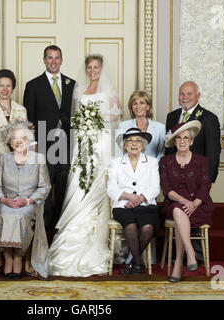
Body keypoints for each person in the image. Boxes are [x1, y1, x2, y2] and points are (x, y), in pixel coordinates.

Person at [48, 54, 122, 277]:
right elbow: (75, 118)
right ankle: (70, 239)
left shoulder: (109, 91)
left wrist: (98, 123)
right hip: (83, 143)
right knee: (79, 186)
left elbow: (115, 118)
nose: (92, 71)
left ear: (101, 68)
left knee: (98, 187)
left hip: (101, 144)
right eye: (89, 67)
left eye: (96, 67)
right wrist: (84, 125)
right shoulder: (79, 91)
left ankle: (97, 240)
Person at [0, 120, 51, 279]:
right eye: (15, 138)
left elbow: (45, 187)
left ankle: (18, 258)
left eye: (22, 138)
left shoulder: (38, 159)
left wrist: (28, 201)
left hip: (28, 203)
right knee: (5, 214)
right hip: (6, 202)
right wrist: (3, 200)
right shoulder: (4, 159)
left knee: (20, 216)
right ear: (9, 141)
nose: (18, 141)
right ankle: (7, 257)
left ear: (28, 139)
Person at [23, 45, 75, 234]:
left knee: (64, 189)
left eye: (57, 58)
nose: (53, 61)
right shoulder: (33, 85)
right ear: (44, 60)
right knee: (44, 189)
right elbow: (29, 119)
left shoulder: (72, 84)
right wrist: (32, 144)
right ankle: (43, 233)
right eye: (50, 58)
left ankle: (62, 231)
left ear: (61, 60)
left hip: (67, 145)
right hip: (44, 146)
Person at [159, 120, 214, 282]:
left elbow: (205, 185)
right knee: (177, 210)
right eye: (178, 138)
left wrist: (195, 203)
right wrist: (185, 202)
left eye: (185, 138)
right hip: (175, 203)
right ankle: (190, 252)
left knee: (179, 216)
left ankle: (177, 267)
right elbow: (166, 189)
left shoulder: (202, 161)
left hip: (199, 206)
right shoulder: (165, 162)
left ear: (191, 141)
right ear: (174, 141)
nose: (182, 141)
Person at [107, 128, 160, 275]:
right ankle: (138, 264)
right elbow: (111, 189)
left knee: (148, 227)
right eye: (130, 141)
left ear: (143, 145)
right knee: (129, 225)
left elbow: (155, 188)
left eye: (138, 141)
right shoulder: (116, 163)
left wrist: (140, 198)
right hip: (123, 205)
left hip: (146, 204)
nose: (134, 144)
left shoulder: (152, 162)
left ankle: (132, 263)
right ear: (124, 145)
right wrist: (128, 197)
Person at [165, 81, 221, 183]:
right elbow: (168, 148)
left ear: (198, 95)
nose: (185, 97)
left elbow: (213, 152)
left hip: (197, 178)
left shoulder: (209, 118)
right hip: (173, 177)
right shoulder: (171, 116)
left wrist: (208, 179)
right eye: (182, 94)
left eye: (189, 94)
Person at [116, 90, 165, 159]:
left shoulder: (160, 128)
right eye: (134, 103)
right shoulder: (122, 126)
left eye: (142, 103)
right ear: (131, 107)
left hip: (153, 168)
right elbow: (118, 153)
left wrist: (153, 167)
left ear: (148, 107)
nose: (138, 106)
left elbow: (161, 154)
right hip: (128, 167)